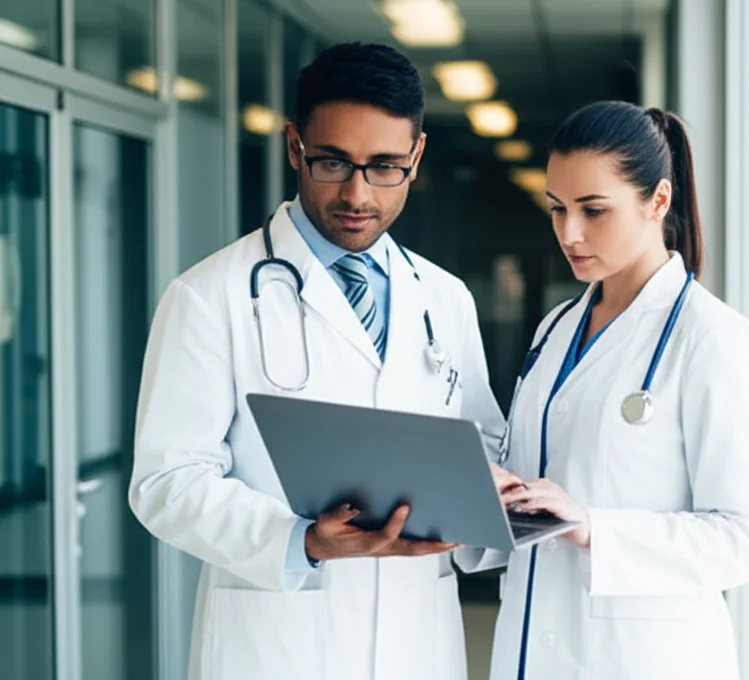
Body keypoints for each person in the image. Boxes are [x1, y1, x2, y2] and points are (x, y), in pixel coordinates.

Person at [129, 42, 505, 680]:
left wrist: (491, 498)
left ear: (416, 157)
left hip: (417, 638)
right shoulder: (209, 295)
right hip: (277, 646)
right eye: (333, 162)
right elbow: (166, 482)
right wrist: (300, 540)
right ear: (294, 145)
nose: (357, 194)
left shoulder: (444, 297)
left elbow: (483, 441)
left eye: (385, 166)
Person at [459, 101, 749, 680]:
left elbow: (746, 538)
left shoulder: (712, 339)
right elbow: (538, 479)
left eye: (593, 210)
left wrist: (592, 528)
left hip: (644, 659)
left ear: (658, 200)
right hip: (532, 648)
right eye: (556, 209)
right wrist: (485, 490)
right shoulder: (556, 329)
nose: (569, 233)